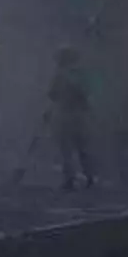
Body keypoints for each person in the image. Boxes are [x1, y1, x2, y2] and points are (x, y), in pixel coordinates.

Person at [44, 46, 97, 191]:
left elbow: (52, 94)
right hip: (81, 115)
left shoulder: (61, 75)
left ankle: (70, 180)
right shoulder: (82, 74)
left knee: (66, 150)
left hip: (66, 114)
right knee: (84, 149)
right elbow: (88, 94)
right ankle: (90, 178)